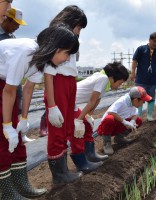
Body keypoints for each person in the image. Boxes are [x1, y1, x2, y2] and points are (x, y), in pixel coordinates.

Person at [0, 24, 79, 199]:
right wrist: (6, 125)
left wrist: (24, 119)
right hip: (4, 86)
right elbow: (9, 90)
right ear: (57, 48)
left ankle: (21, 184)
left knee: (17, 138)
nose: (66, 59)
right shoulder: (26, 51)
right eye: (67, 53)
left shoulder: (41, 61)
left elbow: (28, 88)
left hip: (5, 86)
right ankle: (5, 192)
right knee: (3, 138)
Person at [44, 6, 102, 183]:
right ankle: (59, 175)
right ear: (72, 22)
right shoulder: (57, 35)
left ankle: (69, 168)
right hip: (58, 82)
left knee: (68, 127)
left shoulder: (70, 39)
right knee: (58, 130)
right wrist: (52, 105)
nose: (79, 32)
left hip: (69, 82)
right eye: (79, 28)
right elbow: (48, 69)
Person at [40, 62, 129, 162]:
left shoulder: (105, 81)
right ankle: (81, 160)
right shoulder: (103, 79)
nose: (120, 85)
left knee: (86, 125)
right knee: (78, 131)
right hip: (67, 101)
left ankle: (90, 155)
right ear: (113, 78)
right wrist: (79, 120)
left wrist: (88, 115)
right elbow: (92, 101)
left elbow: (97, 101)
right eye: (120, 82)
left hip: (71, 103)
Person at [0, 7, 35, 143]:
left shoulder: (12, 37)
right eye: (15, 23)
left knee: (16, 105)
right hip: (3, 79)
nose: (17, 27)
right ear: (6, 19)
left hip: (12, 79)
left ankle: (19, 133)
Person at [97, 86, 152, 155]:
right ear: (135, 100)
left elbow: (135, 114)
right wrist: (125, 122)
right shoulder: (122, 101)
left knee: (138, 120)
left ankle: (120, 138)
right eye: (143, 101)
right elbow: (111, 112)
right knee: (109, 118)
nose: (143, 103)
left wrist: (132, 122)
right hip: (106, 127)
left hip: (117, 125)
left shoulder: (133, 103)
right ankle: (107, 143)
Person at [131, 32, 156, 121]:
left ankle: (149, 115)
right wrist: (133, 72)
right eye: (154, 41)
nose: (155, 43)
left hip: (152, 80)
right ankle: (138, 116)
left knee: (151, 98)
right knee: (139, 98)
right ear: (149, 40)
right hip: (140, 79)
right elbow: (134, 61)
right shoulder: (141, 49)